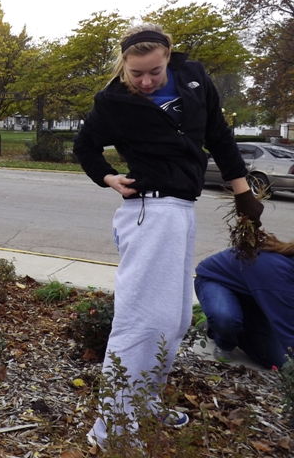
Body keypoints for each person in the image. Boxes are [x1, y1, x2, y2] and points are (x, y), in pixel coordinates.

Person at [72, 24, 264, 448]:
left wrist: (242, 193)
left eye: (154, 72)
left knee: (174, 320)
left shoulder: (194, 78)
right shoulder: (113, 101)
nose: (145, 81)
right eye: (136, 73)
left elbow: (219, 135)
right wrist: (108, 177)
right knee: (141, 322)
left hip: (181, 210)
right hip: (148, 212)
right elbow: (84, 146)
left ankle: (143, 404)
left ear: (169, 57)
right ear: (124, 65)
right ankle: (112, 431)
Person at [195, 233, 294, 369]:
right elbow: (287, 327)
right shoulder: (278, 275)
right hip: (217, 282)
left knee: (281, 360)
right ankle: (221, 335)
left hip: (254, 296)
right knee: (225, 319)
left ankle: (238, 320)